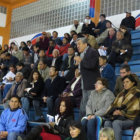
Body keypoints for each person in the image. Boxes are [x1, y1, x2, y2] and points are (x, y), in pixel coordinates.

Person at [104, 75, 140, 140]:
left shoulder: (137, 93)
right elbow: (113, 105)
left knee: (116, 123)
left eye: (127, 82)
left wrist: (122, 113)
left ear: (133, 83)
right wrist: (113, 112)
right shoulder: (121, 93)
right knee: (107, 122)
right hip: (120, 117)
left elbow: (136, 109)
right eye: (124, 82)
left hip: (131, 118)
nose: (125, 84)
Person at [74, 37, 100, 118]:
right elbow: (84, 66)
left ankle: (86, 126)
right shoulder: (82, 53)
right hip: (84, 84)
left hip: (92, 85)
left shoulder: (93, 51)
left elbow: (92, 65)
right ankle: (81, 126)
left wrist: (81, 61)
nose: (77, 46)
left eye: (79, 44)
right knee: (83, 109)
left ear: (85, 44)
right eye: (77, 44)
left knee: (89, 109)